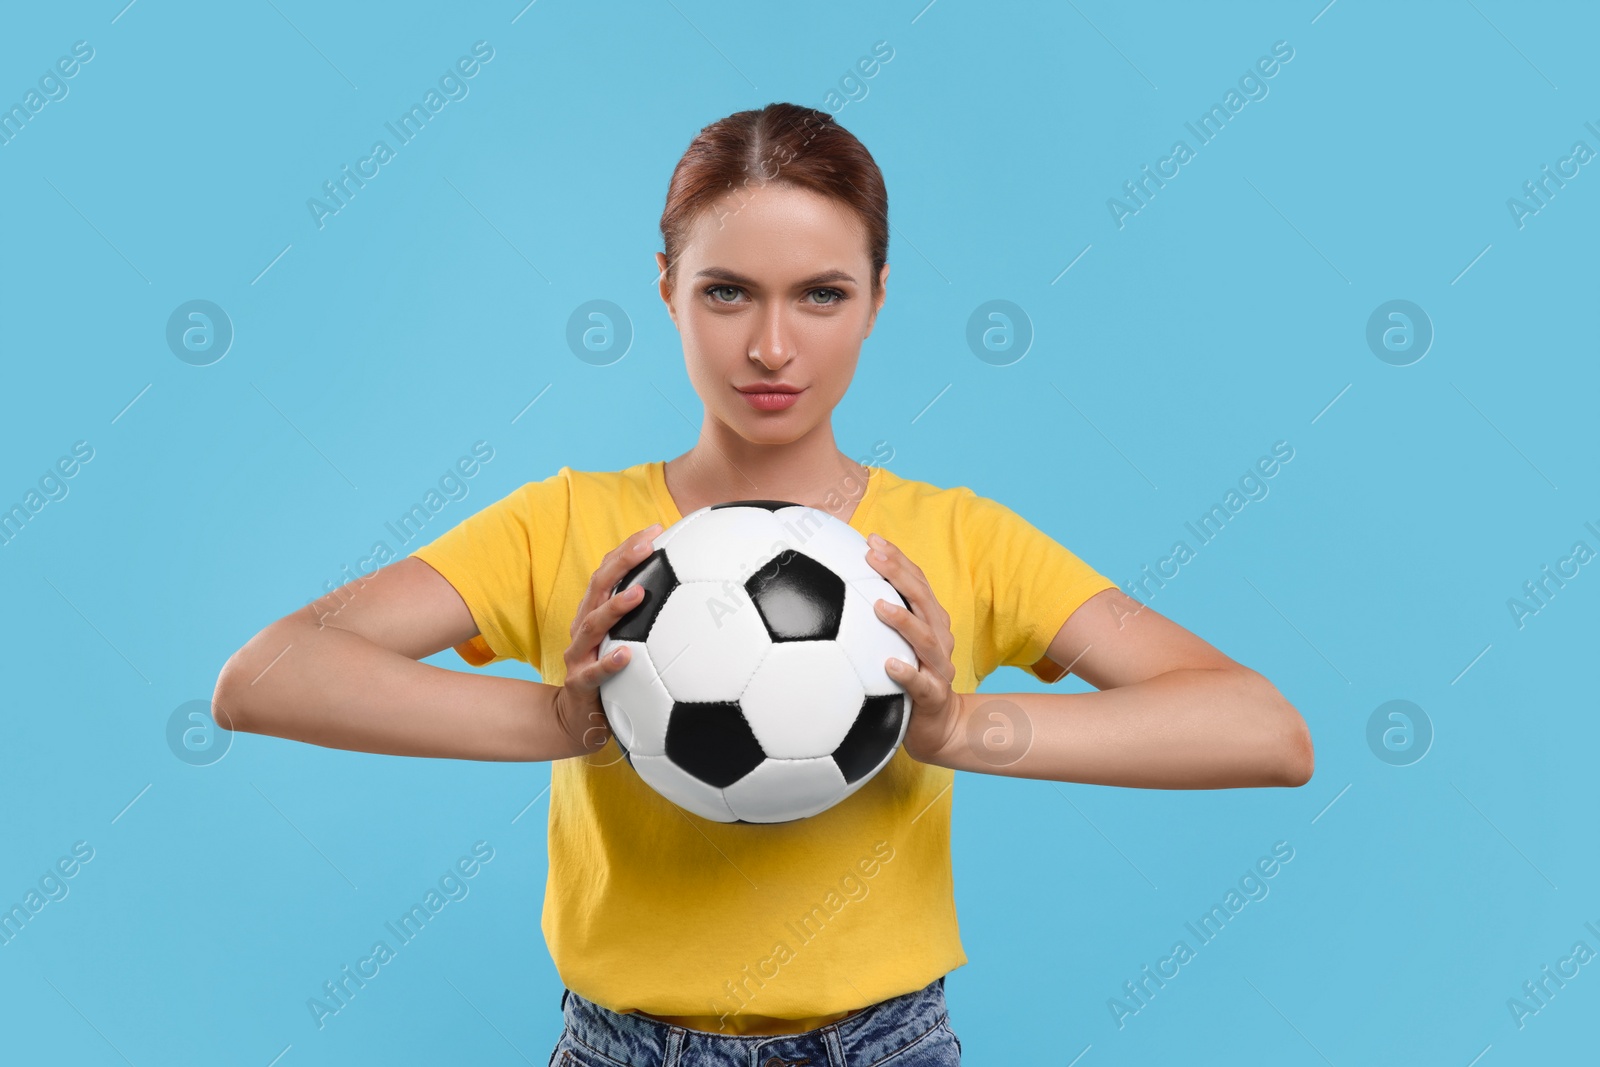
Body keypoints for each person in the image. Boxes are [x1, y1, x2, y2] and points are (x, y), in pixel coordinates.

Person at [212, 102, 1314, 1066]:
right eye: (728, 291)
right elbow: (265, 675)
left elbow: (1264, 730)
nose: (772, 346)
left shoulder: (957, 540)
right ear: (665, 287)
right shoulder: (568, 525)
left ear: (879, 296)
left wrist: (956, 726)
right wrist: (558, 717)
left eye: (822, 294)